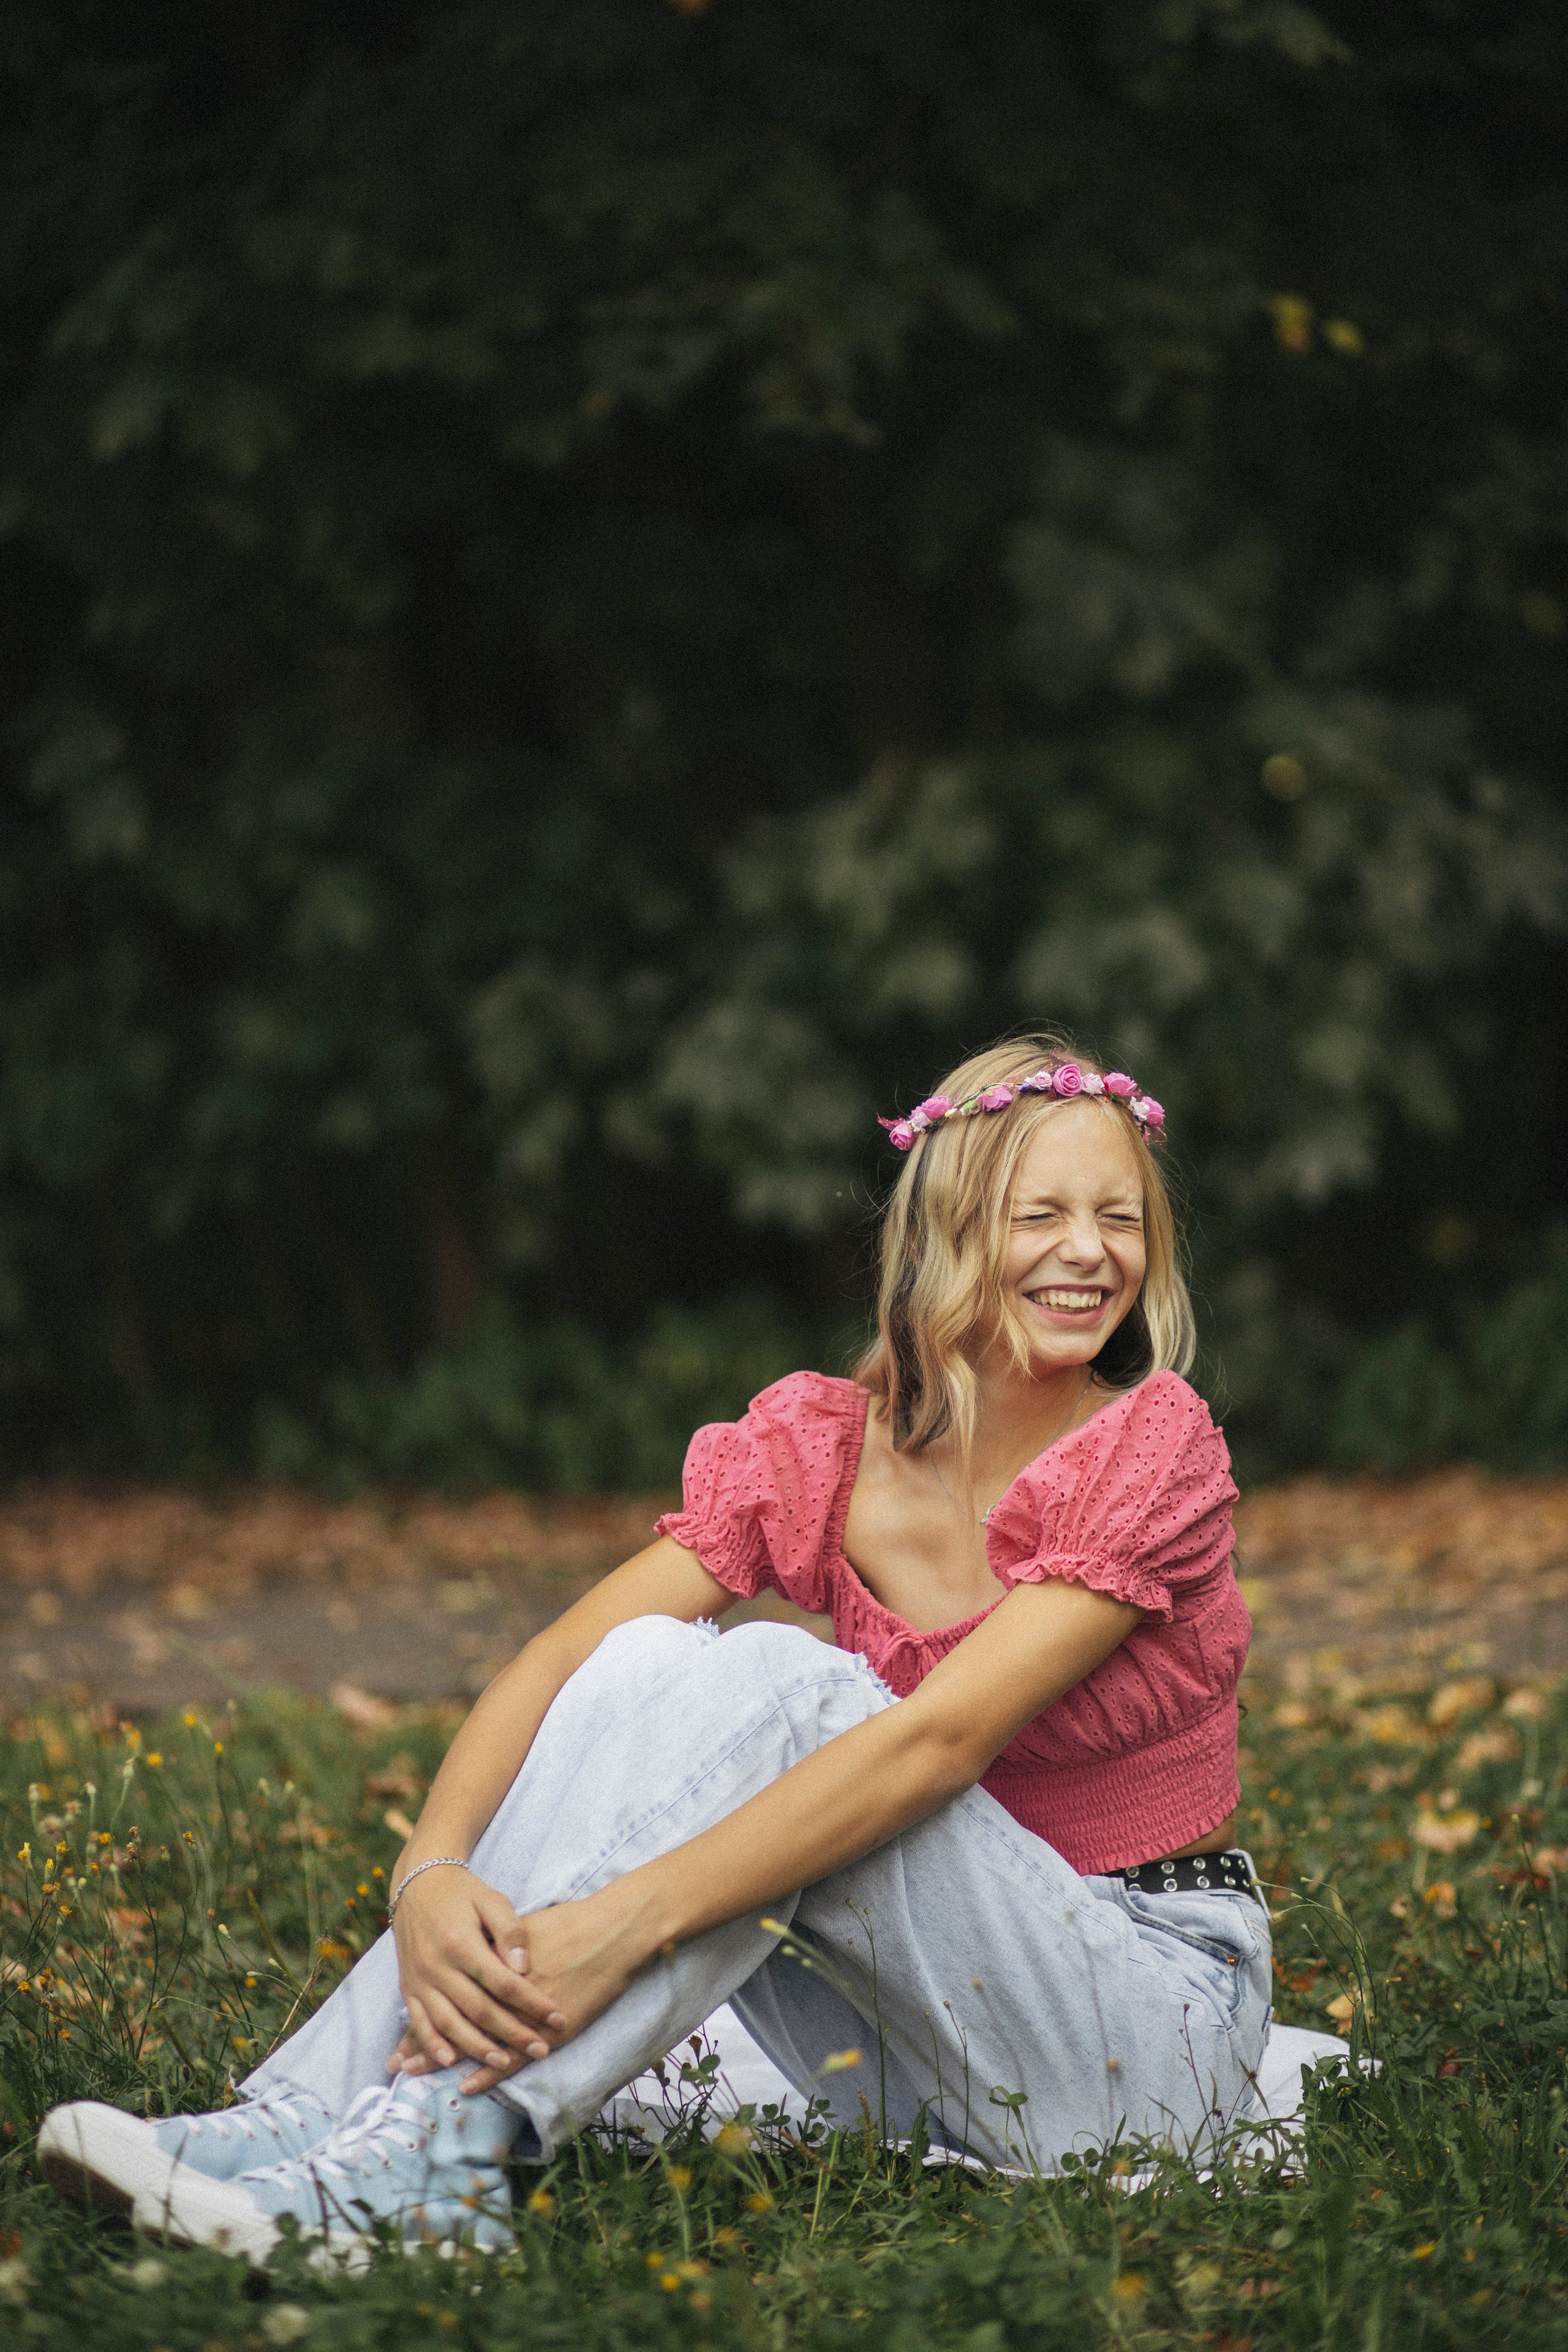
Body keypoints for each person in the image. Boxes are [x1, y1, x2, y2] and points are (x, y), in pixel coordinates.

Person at [39, 1034, 1267, 2262]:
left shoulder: (1151, 1450)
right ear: (944, 1231)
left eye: (1117, 1217)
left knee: (790, 1685)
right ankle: (313, 2118)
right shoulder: (829, 1449)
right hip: (928, 2037)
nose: (1087, 1252)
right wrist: (430, 1873)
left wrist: (619, 1928)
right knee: (644, 1661)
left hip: (1145, 2038)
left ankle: (445, 2159)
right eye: (1037, 1215)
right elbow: (568, 1653)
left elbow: (936, 1745)